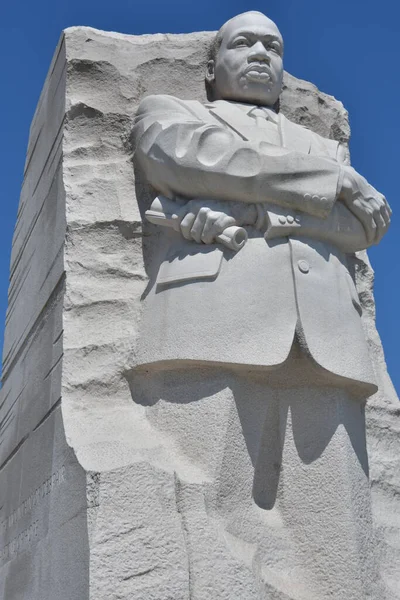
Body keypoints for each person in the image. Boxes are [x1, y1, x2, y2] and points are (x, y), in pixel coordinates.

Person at [132, 11, 390, 599]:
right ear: (211, 63)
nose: (259, 53)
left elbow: (363, 226)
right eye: (242, 42)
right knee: (201, 519)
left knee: (342, 547)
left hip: (327, 341)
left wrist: (252, 213)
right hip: (212, 326)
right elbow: (186, 157)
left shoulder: (321, 148)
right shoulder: (174, 114)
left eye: (272, 46)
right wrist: (329, 186)